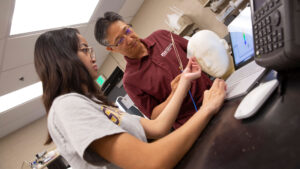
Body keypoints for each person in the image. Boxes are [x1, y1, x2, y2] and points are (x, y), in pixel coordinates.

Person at [34, 28, 226, 169]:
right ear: (64, 59)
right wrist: (206, 110)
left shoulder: (93, 104)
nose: (93, 57)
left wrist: (184, 80)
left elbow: (158, 127)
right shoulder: (67, 106)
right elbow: (149, 161)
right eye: (85, 50)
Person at [94, 12, 213, 129]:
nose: (129, 40)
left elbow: (197, 52)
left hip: (214, 94)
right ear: (112, 49)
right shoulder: (130, 81)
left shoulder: (161, 36)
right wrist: (174, 94)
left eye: (127, 31)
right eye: (119, 41)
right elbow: (154, 116)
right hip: (192, 125)